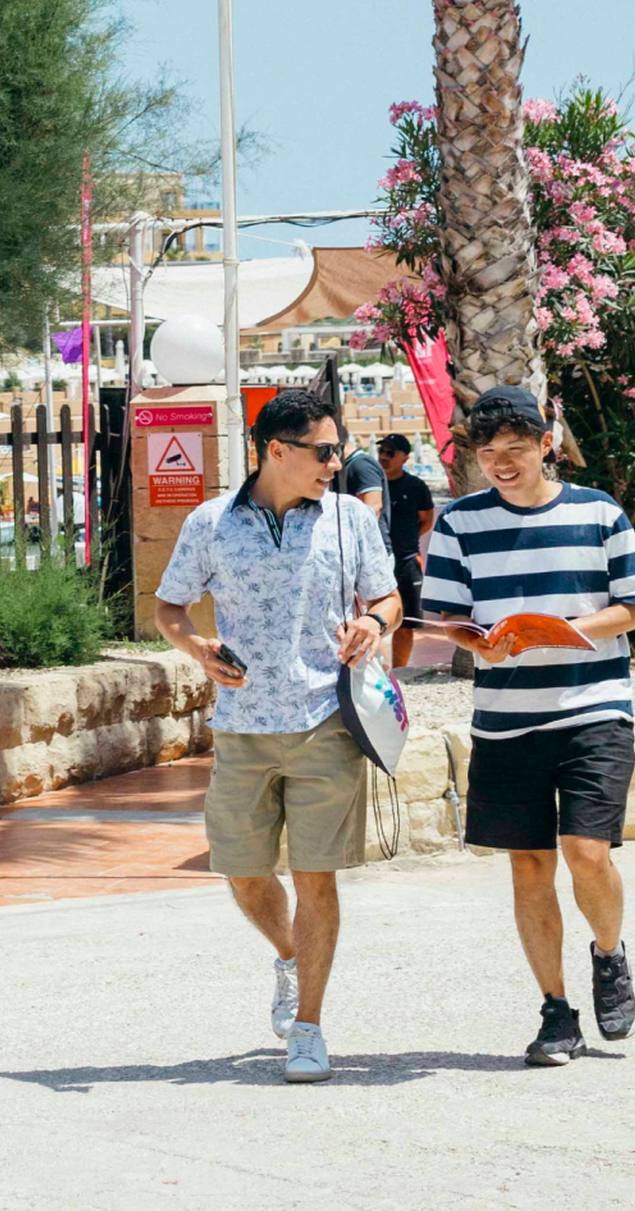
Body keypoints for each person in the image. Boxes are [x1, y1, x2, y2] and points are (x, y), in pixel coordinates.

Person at [153, 386, 400, 1085]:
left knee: (317, 877)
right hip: (242, 729)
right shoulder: (210, 523)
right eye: (324, 452)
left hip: (327, 722)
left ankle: (309, 1029)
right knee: (242, 870)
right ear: (276, 451)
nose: (336, 463)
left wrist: (374, 625)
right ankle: (291, 955)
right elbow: (170, 607)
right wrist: (198, 648)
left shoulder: (350, 519)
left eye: (339, 450)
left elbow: (389, 597)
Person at [419, 384, 635, 1067]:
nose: (500, 463)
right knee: (529, 868)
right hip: (503, 722)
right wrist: (478, 643)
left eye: (515, 450)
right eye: (489, 453)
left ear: (547, 445)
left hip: (594, 710)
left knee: (588, 854)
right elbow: (446, 619)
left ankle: (609, 956)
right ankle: (556, 1013)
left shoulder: (599, 513)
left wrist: (562, 634)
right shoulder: (459, 524)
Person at [376, 434, 437, 622]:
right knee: (374, 617)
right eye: (381, 451)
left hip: (407, 560)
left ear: (405, 458)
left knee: (408, 621)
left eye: (391, 452)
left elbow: (426, 520)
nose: (384, 456)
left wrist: (408, 538)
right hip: (376, 560)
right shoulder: (371, 484)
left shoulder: (415, 486)